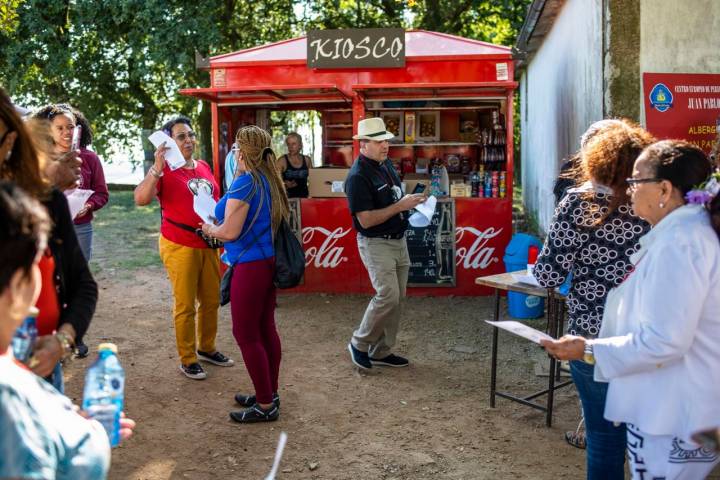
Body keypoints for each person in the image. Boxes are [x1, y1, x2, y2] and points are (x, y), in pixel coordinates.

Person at [542, 140, 720, 479]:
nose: (628, 190)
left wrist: (586, 348)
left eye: (636, 182)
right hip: (678, 405)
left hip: (674, 413)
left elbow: (664, 341)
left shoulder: (680, 244)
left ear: (665, 189)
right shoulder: (682, 233)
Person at [533, 120, 655, 479]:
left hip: (591, 337)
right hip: (645, 335)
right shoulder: (656, 202)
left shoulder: (579, 202)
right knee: (649, 439)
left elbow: (548, 275)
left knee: (603, 440)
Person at [0, 180, 135, 479]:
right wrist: (90, 442)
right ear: (21, 285)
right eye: (41, 262)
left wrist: (65, 426)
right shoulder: (9, 399)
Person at [2, 89, 97, 391]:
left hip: (42, 374)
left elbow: (84, 284)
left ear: (10, 142)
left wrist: (62, 341)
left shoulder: (48, 200)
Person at [134, 115, 233, 380]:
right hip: (179, 244)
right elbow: (141, 199)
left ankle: (207, 347)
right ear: (169, 142)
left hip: (208, 242)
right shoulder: (164, 169)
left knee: (212, 299)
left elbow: (214, 199)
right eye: (181, 136)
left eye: (190, 135)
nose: (188, 140)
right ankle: (188, 358)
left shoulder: (202, 166)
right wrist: (156, 167)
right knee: (186, 304)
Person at [200, 125, 288, 423]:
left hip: (249, 266)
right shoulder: (266, 179)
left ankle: (264, 405)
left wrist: (210, 229)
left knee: (245, 334)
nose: (233, 152)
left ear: (242, 151)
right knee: (265, 330)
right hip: (266, 262)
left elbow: (229, 231)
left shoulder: (244, 182)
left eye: (236, 147)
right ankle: (269, 393)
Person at [344, 117, 426, 370]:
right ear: (363, 144)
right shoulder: (357, 176)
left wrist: (410, 202)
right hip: (376, 242)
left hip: (397, 239)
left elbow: (394, 197)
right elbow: (366, 221)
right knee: (388, 295)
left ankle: (381, 351)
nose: (385, 145)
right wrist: (401, 206)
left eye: (386, 140)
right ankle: (359, 343)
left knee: (397, 298)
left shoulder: (384, 164)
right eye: (379, 141)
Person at [278, 132, 312, 198]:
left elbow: (313, 181)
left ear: (300, 145)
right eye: (288, 144)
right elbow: (274, 181)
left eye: (293, 144)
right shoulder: (282, 161)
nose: (290, 147)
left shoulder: (307, 160)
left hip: (304, 199)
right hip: (287, 200)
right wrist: (285, 184)